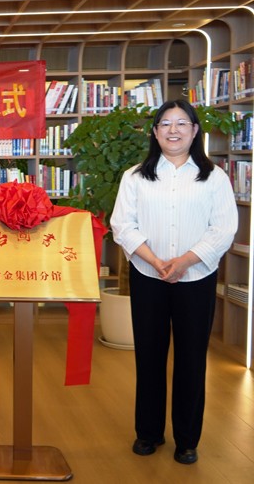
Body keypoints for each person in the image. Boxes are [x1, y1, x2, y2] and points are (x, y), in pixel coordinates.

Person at [110, 99, 237, 465]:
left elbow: (224, 228)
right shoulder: (135, 176)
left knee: (192, 359)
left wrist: (185, 261)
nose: (174, 130)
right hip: (148, 276)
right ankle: (148, 433)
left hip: (196, 278)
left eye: (182, 123)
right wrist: (155, 260)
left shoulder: (214, 178)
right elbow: (123, 225)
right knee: (149, 356)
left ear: (195, 130)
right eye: (165, 123)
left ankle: (187, 439)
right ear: (155, 132)